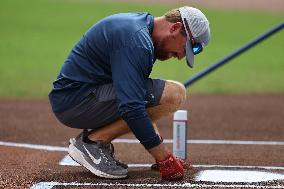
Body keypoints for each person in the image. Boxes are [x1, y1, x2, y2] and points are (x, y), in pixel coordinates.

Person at [48, 6, 210, 180]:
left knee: (159, 93)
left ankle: (94, 141)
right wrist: (165, 159)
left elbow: (138, 97)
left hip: (82, 96)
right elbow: (132, 106)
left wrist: (160, 150)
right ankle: (91, 143)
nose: (180, 56)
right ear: (175, 28)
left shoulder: (142, 30)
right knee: (173, 93)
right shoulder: (137, 41)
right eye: (184, 48)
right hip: (76, 100)